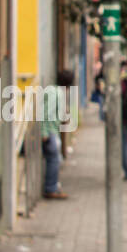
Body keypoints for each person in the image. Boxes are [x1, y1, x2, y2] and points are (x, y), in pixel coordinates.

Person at [41, 69, 73, 200]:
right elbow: (44, 113)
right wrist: (44, 132)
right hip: (50, 132)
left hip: (52, 131)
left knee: (55, 159)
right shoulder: (56, 94)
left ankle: (52, 186)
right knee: (54, 160)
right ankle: (51, 188)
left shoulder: (55, 91)